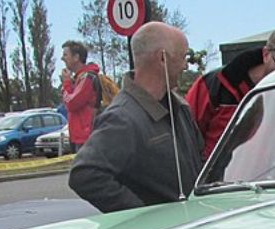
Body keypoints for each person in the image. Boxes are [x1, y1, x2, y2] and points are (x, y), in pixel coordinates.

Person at [69, 23, 205, 213]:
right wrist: (140, 215)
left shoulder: (180, 109)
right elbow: (84, 174)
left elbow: (201, 162)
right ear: (162, 58)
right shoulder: (122, 118)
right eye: (182, 57)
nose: (185, 65)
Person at [185, 25, 275, 158]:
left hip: (269, 175)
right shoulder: (215, 85)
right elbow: (185, 135)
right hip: (216, 175)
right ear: (266, 54)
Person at [60, 40, 99, 148]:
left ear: (76, 57)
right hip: (80, 136)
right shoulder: (79, 78)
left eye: (65, 55)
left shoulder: (87, 78)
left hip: (86, 137)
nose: (62, 58)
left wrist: (66, 83)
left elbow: (72, 103)